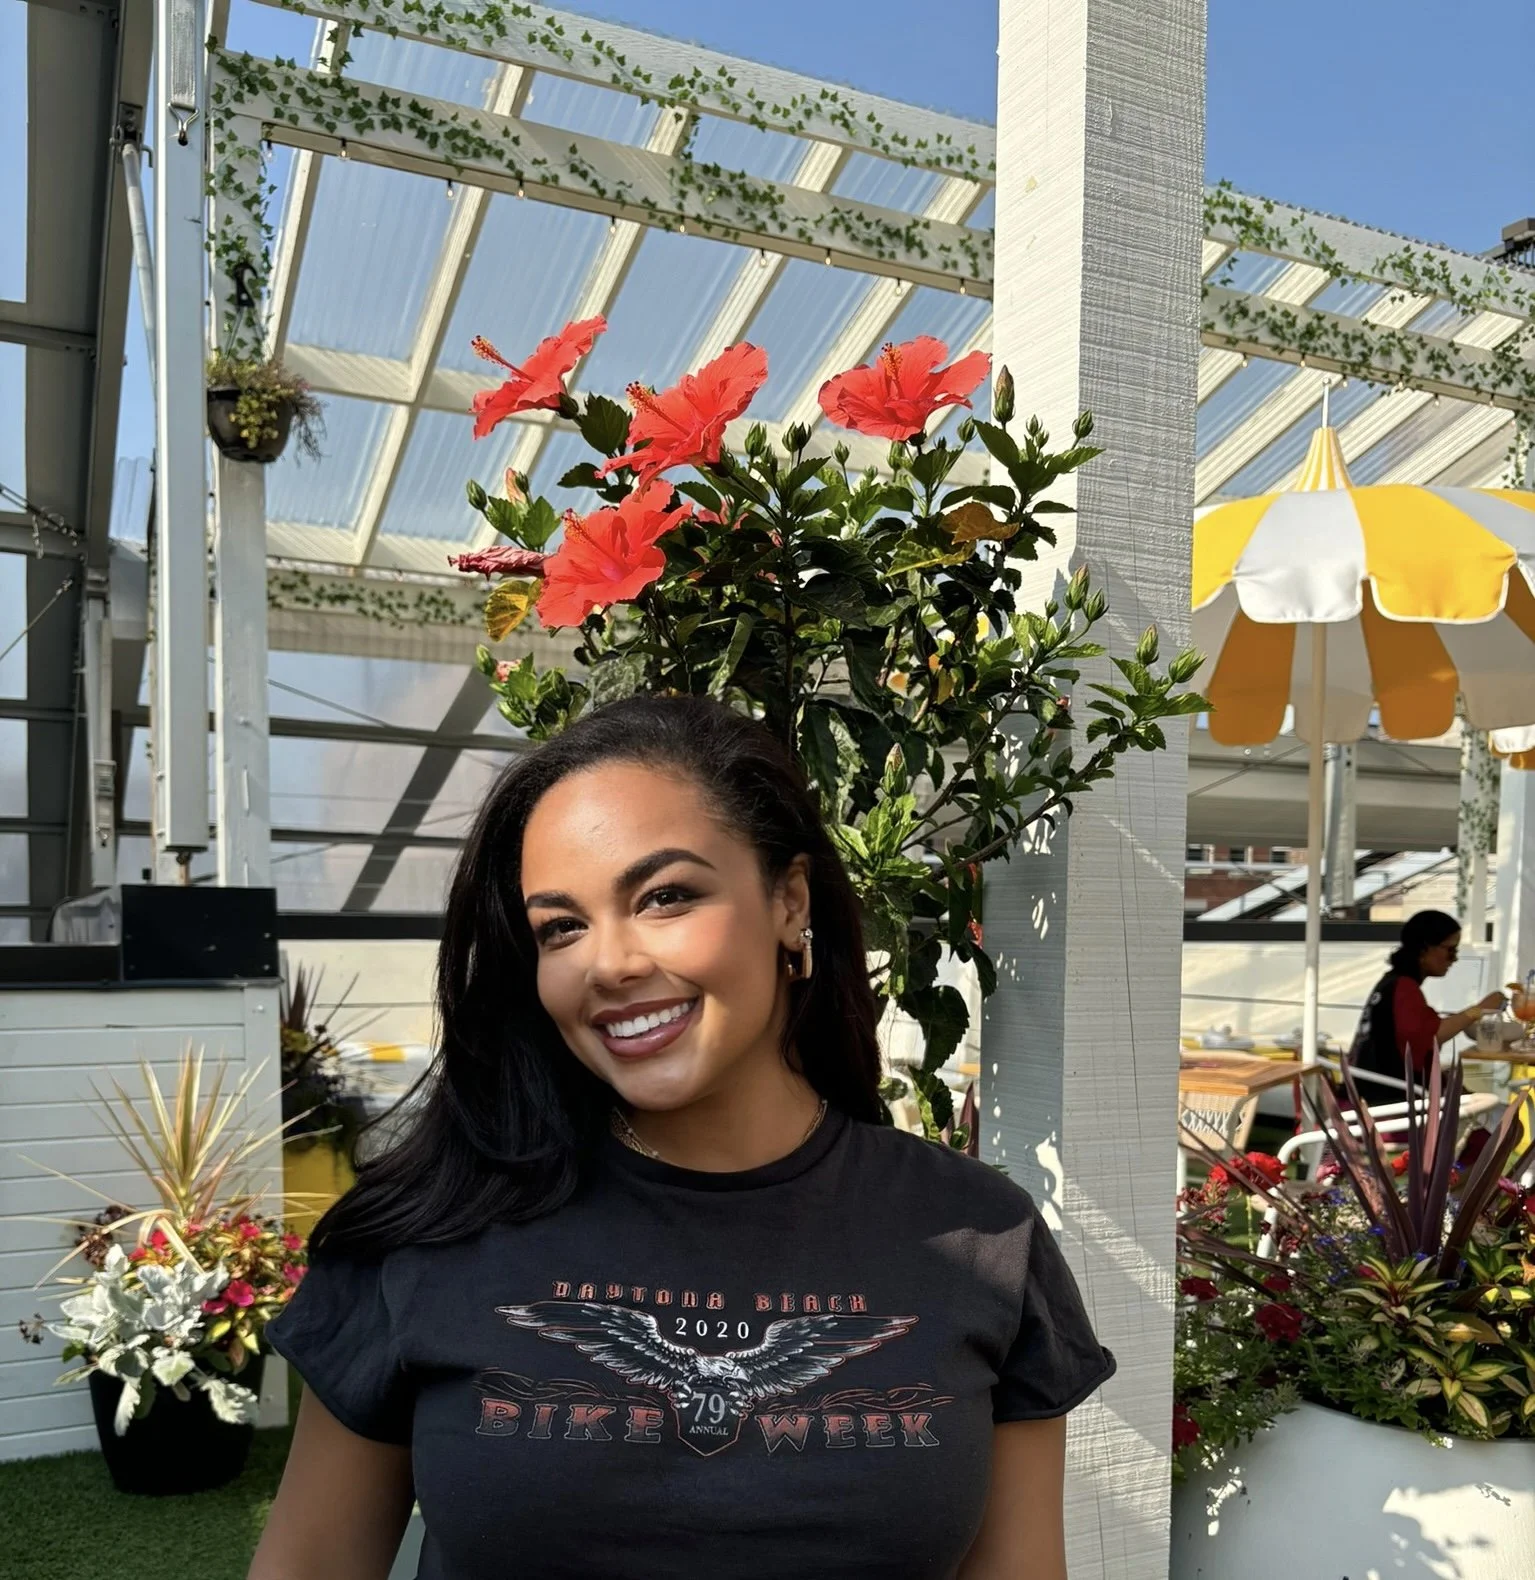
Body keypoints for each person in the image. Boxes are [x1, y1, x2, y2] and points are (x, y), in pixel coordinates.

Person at [252, 696, 1114, 1580]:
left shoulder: (980, 1238)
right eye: (561, 927)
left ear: (788, 900)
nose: (609, 963)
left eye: (665, 897)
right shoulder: (427, 1232)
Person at [1346, 909, 1506, 1089]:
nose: (1454, 958)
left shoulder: (1391, 983)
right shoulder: (1404, 989)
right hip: (1390, 1097)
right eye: (1450, 950)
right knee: (1504, 1113)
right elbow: (1432, 1036)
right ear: (1424, 948)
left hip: (1371, 1088)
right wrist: (1480, 1009)